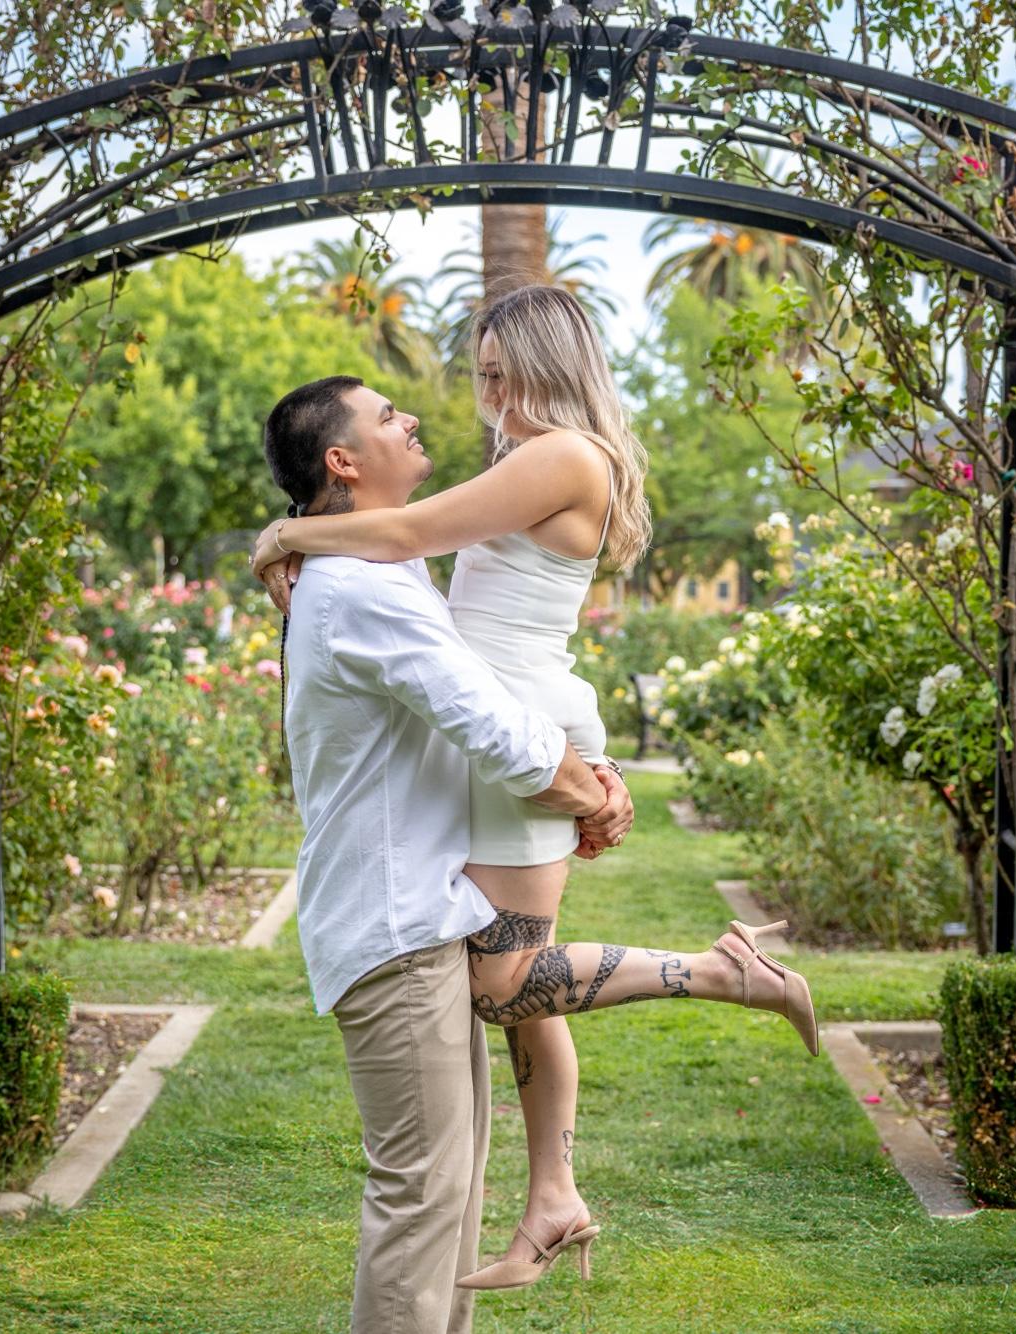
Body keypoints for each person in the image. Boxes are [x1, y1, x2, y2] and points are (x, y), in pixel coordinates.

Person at [253, 287, 817, 1294]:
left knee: (499, 983)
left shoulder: (562, 455)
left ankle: (718, 972)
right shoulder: (531, 455)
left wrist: (288, 536)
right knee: (504, 978)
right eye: (481, 375)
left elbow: (405, 531)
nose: (485, 394)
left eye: (497, 373)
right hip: (506, 725)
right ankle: (552, 1193)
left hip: (517, 726)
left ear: (545, 366)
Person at [260, 372, 634, 1333]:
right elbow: (497, 733)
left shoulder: (379, 571)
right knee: (422, 1193)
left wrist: (592, 774)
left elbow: (493, 690)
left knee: (446, 1194)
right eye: (388, 416)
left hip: (419, 916)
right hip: (396, 927)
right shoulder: (361, 589)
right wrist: (594, 798)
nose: (415, 417)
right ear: (343, 461)